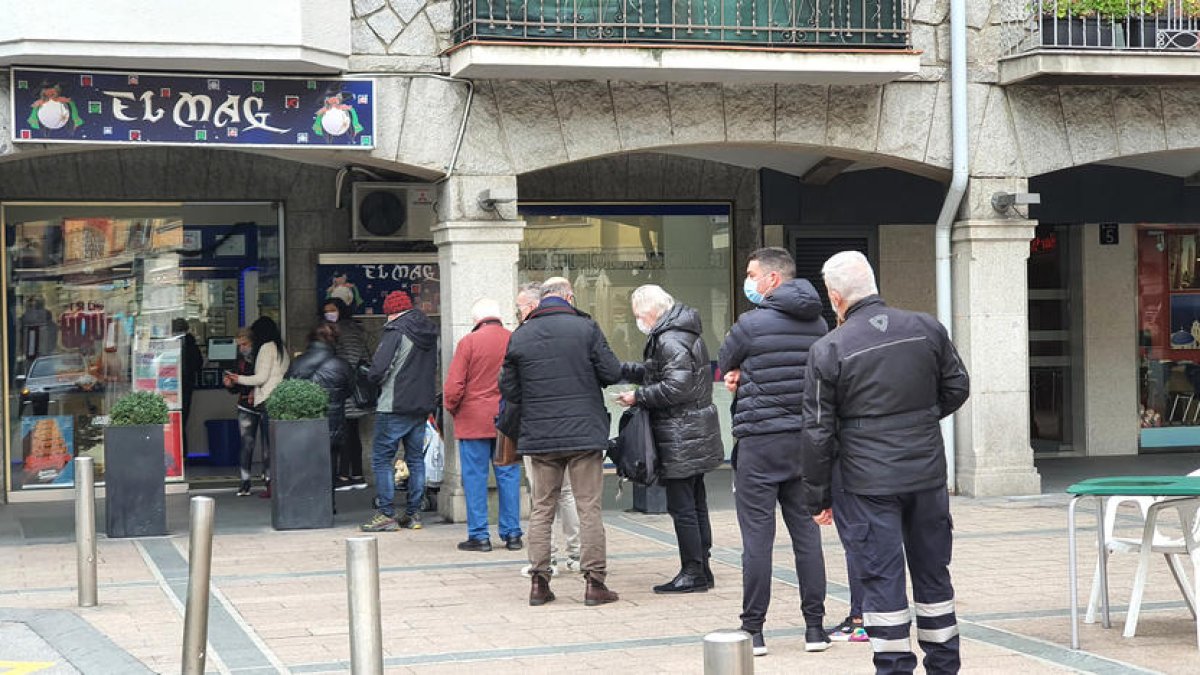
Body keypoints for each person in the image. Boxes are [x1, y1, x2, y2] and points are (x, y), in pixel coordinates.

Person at [801, 251, 969, 675]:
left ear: (834, 296)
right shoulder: (926, 328)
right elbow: (957, 387)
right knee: (934, 574)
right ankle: (945, 666)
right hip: (927, 475)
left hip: (866, 481)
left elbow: (818, 431)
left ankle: (894, 667)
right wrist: (919, 419)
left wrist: (818, 497)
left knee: (881, 578)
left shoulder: (829, 348)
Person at [717, 246, 830, 657]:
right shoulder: (819, 322)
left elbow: (724, 361)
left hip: (760, 444)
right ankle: (815, 629)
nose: (748, 281)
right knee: (807, 537)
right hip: (804, 443)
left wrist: (739, 374)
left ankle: (755, 631)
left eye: (751, 274)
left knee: (757, 541)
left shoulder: (750, 323)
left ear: (771, 279)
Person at [500, 277, 623, 607]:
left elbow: (509, 390)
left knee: (542, 509)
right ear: (569, 298)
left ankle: (539, 583)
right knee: (588, 508)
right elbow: (610, 372)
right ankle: (594, 584)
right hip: (584, 433)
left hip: (540, 437)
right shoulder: (586, 328)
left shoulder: (521, 335)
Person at [615, 285, 723, 594]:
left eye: (639, 315)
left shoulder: (669, 338)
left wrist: (637, 397)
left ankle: (693, 571)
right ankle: (702, 566)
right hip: (693, 429)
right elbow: (659, 372)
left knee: (683, 506)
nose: (638, 321)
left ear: (653, 311)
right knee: (695, 500)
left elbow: (676, 388)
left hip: (680, 433)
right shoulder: (681, 331)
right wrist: (624, 370)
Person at [513, 282, 582, 576]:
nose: (517, 313)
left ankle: (545, 562)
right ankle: (579, 555)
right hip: (573, 426)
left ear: (531, 306)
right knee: (569, 494)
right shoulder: (579, 329)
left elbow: (509, 386)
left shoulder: (524, 335)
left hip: (538, 429)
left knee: (542, 499)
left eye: (518, 308)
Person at [444, 297, 523, 553]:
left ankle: (479, 536)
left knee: (475, 478)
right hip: (507, 419)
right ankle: (512, 535)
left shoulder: (468, 342)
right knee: (509, 475)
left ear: (476, 319)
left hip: (473, 419)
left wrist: (453, 408)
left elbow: (455, 386)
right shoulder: (513, 339)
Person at [360, 290, 439, 532]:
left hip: (394, 405)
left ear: (392, 312)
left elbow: (377, 369)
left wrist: (370, 377)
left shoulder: (396, 331)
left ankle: (386, 514)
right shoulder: (428, 331)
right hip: (421, 405)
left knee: (382, 459)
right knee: (415, 459)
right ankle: (414, 514)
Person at [286, 321, 354, 502]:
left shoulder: (298, 363)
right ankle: (327, 502)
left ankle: (306, 501)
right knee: (330, 464)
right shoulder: (341, 364)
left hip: (304, 424)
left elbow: (286, 389)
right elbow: (350, 391)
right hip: (333, 424)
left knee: (304, 464)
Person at [225, 318, 290, 497]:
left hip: (264, 401)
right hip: (257, 403)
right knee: (257, 444)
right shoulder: (280, 347)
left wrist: (239, 379)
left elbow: (260, 378)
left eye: (245, 343)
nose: (242, 348)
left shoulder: (265, 349)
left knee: (266, 445)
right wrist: (233, 383)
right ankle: (255, 482)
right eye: (239, 345)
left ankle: (269, 483)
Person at [323, 298, 370, 491]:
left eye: (332, 310)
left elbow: (349, 359)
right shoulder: (353, 329)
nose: (329, 314)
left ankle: (344, 475)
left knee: (344, 433)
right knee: (351, 432)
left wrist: (339, 377)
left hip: (346, 390)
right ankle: (356, 474)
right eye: (326, 311)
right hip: (351, 388)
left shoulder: (346, 331)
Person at [173, 317, 203, 454]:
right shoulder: (191, 343)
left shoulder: (171, 343)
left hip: (173, 386)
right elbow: (199, 363)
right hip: (186, 386)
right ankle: (182, 455)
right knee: (181, 421)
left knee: (175, 421)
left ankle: (178, 454)